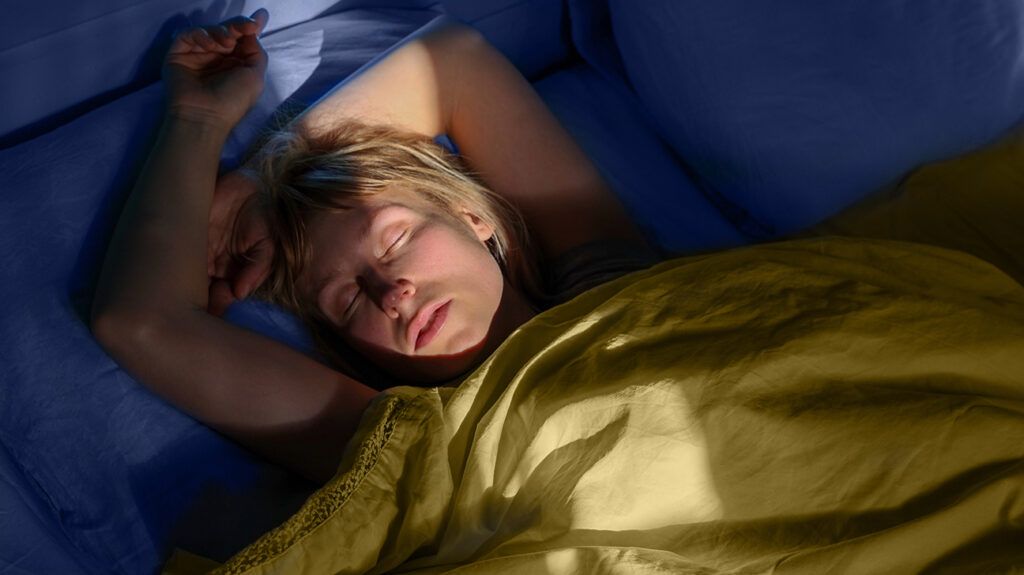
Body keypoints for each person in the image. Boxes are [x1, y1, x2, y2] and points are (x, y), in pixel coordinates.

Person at [90, 10, 656, 484]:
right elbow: (140, 323)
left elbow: (453, 60)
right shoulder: (407, 444)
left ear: (471, 214)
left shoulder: (615, 289)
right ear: (355, 352)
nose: (390, 293)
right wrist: (196, 120)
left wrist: (251, 185)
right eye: (348, 301)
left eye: (396, 238)